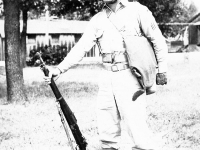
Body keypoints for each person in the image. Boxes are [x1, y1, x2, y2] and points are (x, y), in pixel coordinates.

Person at [44, 0, 168, 149]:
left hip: (131, 76)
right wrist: (58, 69)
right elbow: (81, 48)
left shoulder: (138, 10)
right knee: (107, 133)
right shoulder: (98, 19)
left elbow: (158, 40)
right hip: (106, 78)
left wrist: (162, 70)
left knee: (137, 132)